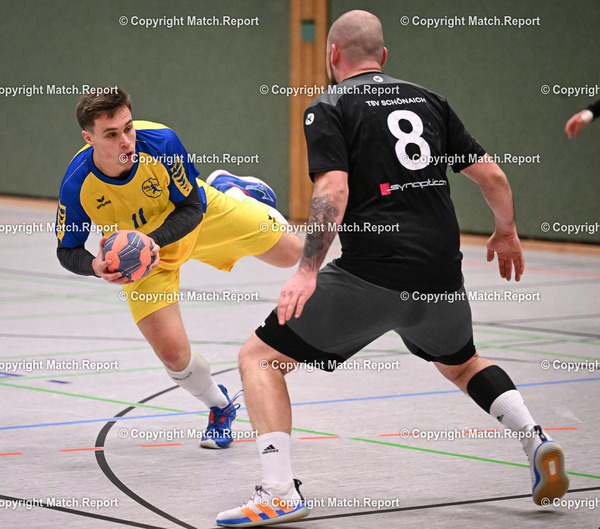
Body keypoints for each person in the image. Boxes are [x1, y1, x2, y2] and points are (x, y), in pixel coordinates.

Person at [216, 10, 569, 526]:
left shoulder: (329, 106)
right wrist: (507, 230)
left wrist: (308, 270)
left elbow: (333, 188)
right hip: (441, 275)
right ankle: (535, 441)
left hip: (372, 274)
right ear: (383, 56)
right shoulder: (430, 100)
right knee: (462, 364)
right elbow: (492, 175)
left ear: (333, 56)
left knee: (260, 358)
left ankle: (278, 492)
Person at [55, 88, 301, 449]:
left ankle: (235, 192)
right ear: (88, 138)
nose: (125, 141)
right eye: (111, 134)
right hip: (140, 264)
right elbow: (67, 249)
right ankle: (220, 406)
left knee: (291, 253)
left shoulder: (161, 142)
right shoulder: (77, 183)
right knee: (173, 356)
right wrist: (95, 265)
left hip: (194, 221)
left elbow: (191, 208)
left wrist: (151, 241)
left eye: (128, 128)